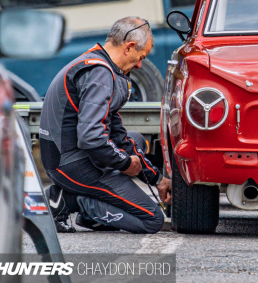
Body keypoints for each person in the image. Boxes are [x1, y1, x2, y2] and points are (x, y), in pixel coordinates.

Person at [40, 16, 171, 233]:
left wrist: (157, 178)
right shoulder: (100, 74)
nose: (140, 65)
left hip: (68, 155)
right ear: (129, 47)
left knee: (135, 139)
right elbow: (91, 137)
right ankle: (68, 201)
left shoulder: (96, 62)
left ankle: (94, 216)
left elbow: (118, 134)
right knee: (152, 220)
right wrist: (125, 163)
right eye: (141, 57)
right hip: (70, 164)